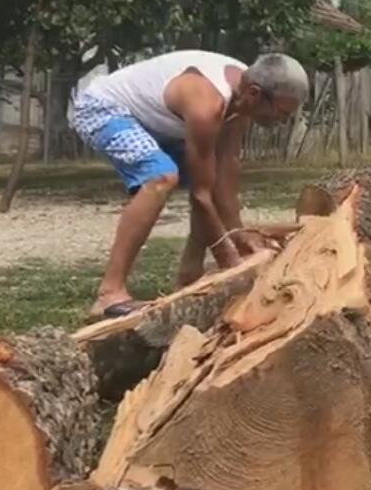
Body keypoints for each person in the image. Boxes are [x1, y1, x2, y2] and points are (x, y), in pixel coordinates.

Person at [69, 50, 308, 319]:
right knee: (160, 177)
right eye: (282, 112)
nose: (283, 122)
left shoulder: (242, 96)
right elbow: (201, 195)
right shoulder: (207, 103)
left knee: (206, 176)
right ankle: (109, 293)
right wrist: (229, 263)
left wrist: (239, 234)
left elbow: (224, 171)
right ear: (255, 94)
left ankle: (188, 277)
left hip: (157, 123)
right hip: (102, 108)